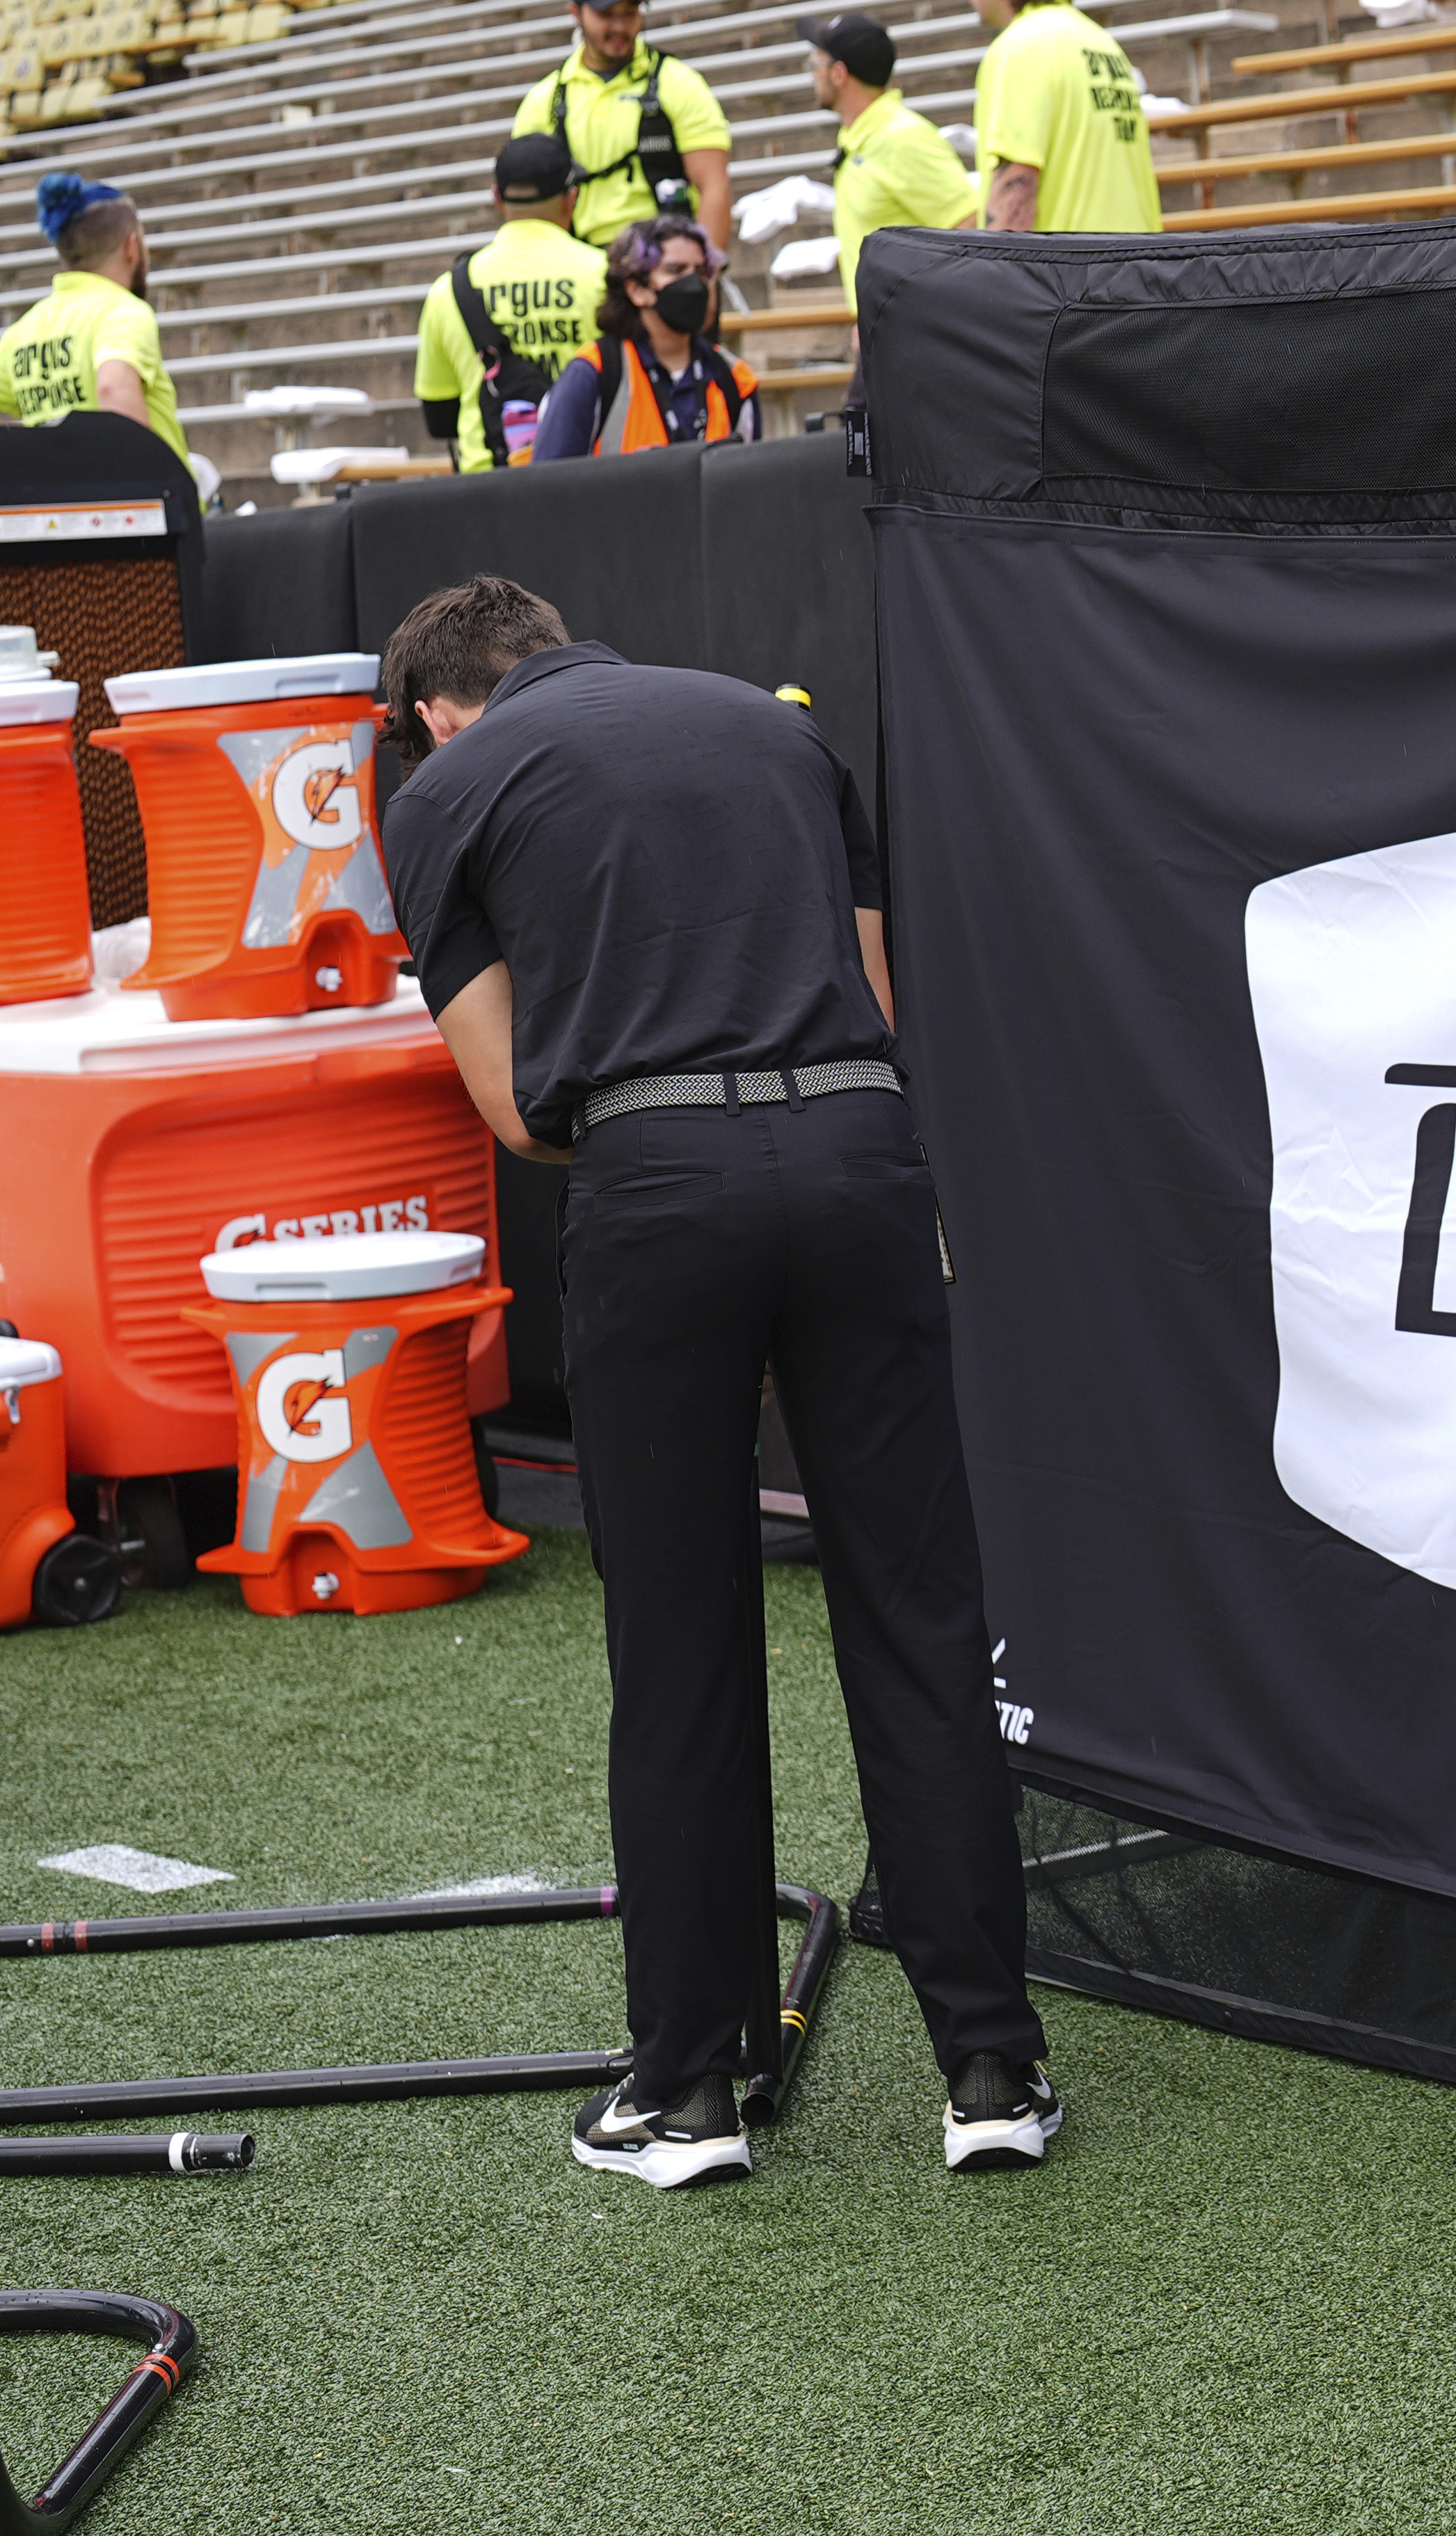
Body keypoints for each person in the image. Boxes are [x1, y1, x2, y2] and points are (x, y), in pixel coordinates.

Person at [375, 575, 1057, 2191]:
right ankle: (993, 2071)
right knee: (916, 1609)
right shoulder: (774, 727)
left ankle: (689, 2093)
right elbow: (879, 1007)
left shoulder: (447, 792)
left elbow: (515, 1110)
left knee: (680, 1641)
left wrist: (656, 1099)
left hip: (655, 1176)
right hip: (856, 1151)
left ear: (435, 713)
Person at [513, 0, 733, 254]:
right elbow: (526, 205)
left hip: (663, 260)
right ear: (575, 13)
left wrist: (706, 275)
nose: (620, 26)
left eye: (630, 13)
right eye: (606, 14)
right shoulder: (546, 100)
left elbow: (714, 188)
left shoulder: (679, 83)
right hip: (581, 263)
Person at [411, 136, 603, 474]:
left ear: (497, 198)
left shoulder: (450, 290)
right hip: (589, 477)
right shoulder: (605, 276)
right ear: (571, 198)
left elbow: (440, 420)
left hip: (487, 489)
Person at [963, 0, 1158, 236]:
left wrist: (1000, 276)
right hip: (1134, 262)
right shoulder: (1100, 41)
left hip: (1069, 274)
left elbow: (1017, 180)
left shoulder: (1020, 47)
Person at [532, 216, 757, 460]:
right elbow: (548, 484)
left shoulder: (735, 378)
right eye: (675, 271)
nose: (694, 284)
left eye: (702, 272)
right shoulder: (593, 372)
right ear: (637, 290)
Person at [799, 10, 975, 308]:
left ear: (839, 74)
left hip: (911, 338)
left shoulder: (902, 138)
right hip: (882, 334)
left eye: (816, 64)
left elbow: (970, 229)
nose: (813, 74)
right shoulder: (863, 138)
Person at [5, 175, 184, 463]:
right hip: (136, 505)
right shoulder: (124, 313)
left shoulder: (21, 332)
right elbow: (113, 385)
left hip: (57, 504)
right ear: (132, 247)